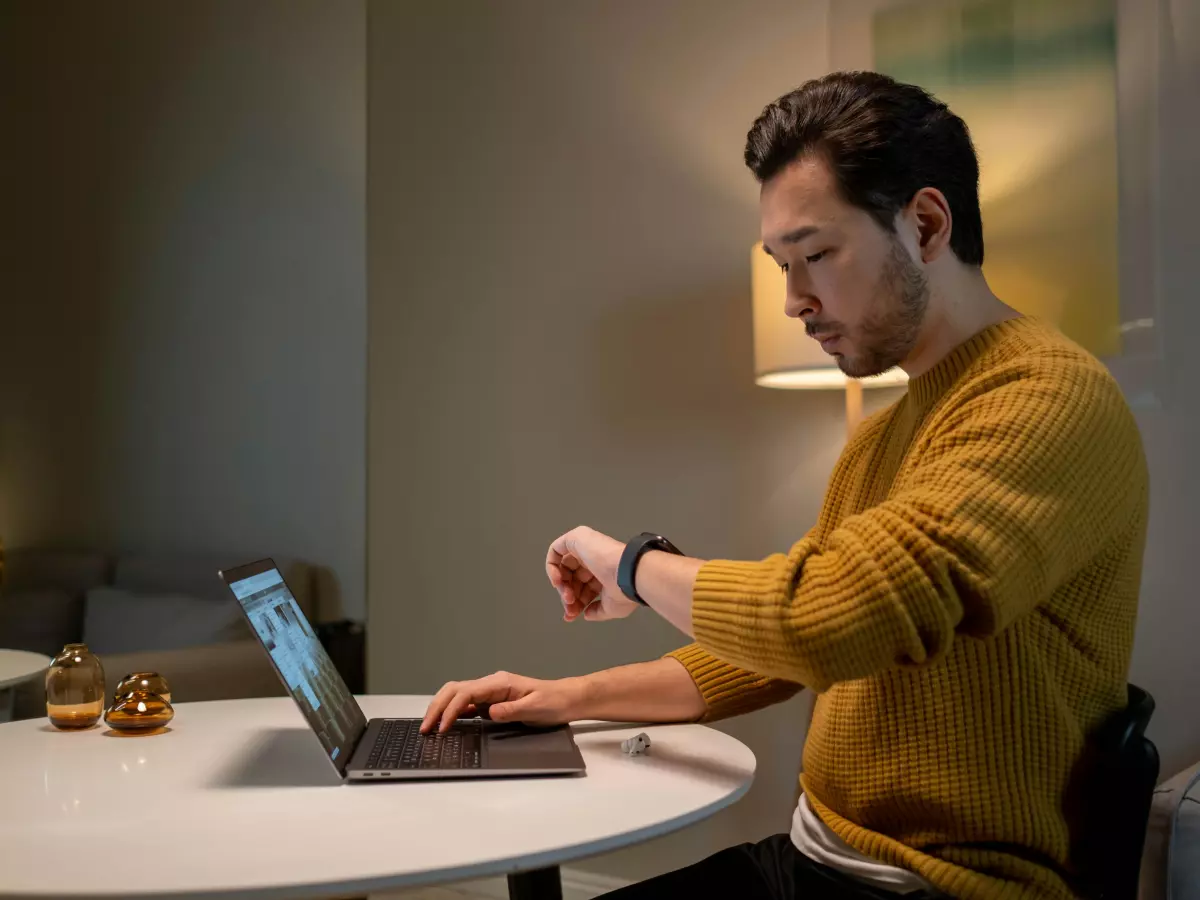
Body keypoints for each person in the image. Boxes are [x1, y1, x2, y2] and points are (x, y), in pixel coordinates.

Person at [421, 71, 1148, 900]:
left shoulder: (1048, 399)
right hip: (812, 860)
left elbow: (818, 620)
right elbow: (776, 656)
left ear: (925, 224)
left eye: (816, 256)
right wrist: (565, 698)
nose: (796, 300)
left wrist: (631, 564)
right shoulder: (886, 434)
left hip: (933, 887)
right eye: (781, 264)